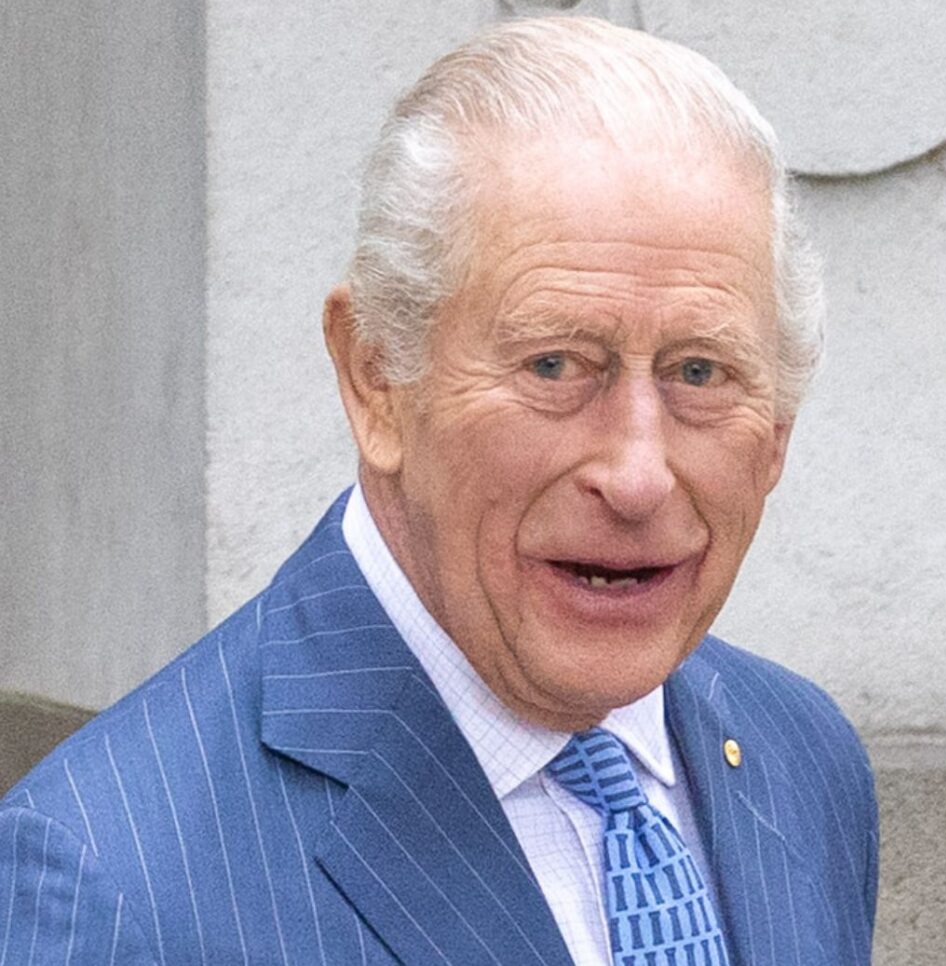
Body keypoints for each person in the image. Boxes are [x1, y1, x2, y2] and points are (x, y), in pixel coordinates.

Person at [0, 17, 876, 966]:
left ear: (779, 424)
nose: (635, 475)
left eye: (700, 373)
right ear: (377, 378)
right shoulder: (111, 882)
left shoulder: (801, 758)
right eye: (554, 365)